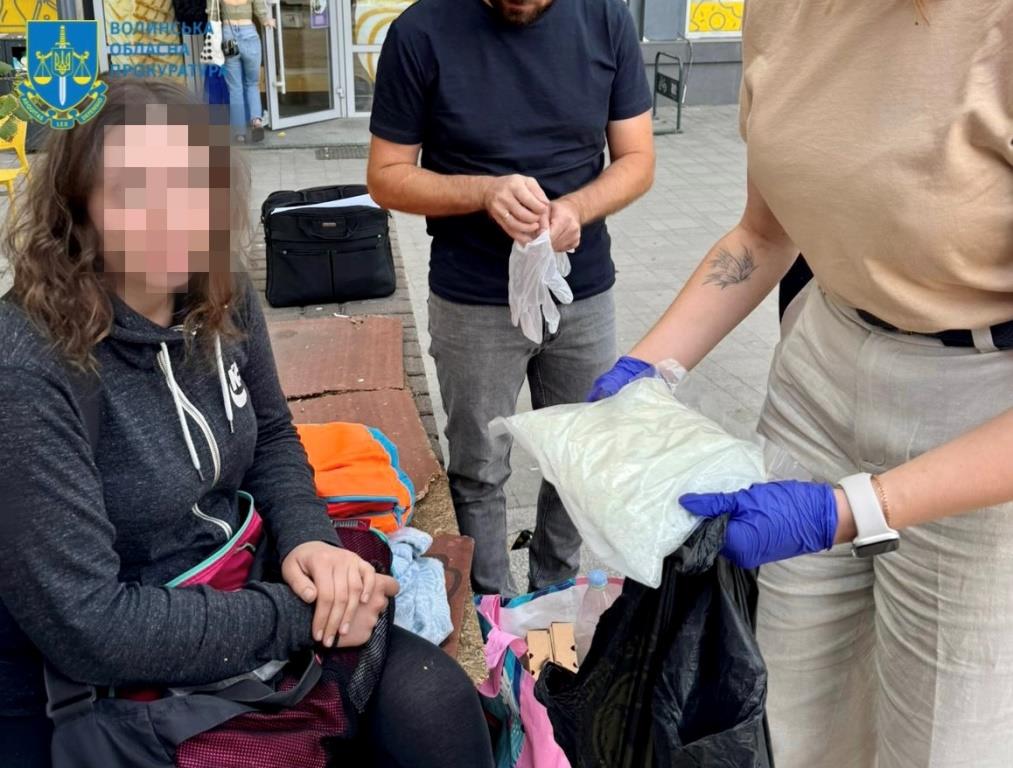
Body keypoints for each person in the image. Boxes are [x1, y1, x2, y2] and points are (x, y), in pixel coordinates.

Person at [0, 77, 494, 768]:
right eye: (134, 190)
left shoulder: (217, 288)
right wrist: (303, 615)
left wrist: (311, 542)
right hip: (118, 679)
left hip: (239, 586)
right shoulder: (30, 368)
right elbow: (89, 624)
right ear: (77, 206)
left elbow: (270, 436)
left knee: (438, 706)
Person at [589, 1, 1013, 766]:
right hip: (822, 362)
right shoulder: (783, 9)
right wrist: (644, 369)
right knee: (787, 707)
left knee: (942, 739)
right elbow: (763, 233)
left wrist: (852, 510)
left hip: (981, 407)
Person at [366, 0, 656, 596]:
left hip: (581, 290)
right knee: (478, 469)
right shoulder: (421, 31)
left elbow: (638, 159)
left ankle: (554, 604)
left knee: (577, 462)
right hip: (473, 298)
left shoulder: (605, 19)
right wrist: (484, 192)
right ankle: (491, 617)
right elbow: (386, 175)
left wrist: (578, 207)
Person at [215, 0, 273, 142]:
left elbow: (213, 15)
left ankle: (239, 133)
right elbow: (260, 10)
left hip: (229, 35)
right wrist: (267, 20)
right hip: (249, 35)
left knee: (235, 88)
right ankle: (256, 121)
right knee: (252, 83)